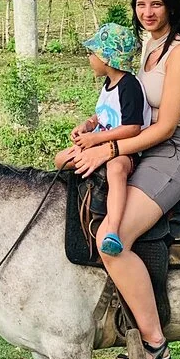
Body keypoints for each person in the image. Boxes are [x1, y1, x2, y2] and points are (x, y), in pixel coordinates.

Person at [72, 0, 180, 359]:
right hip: (144, 146)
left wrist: (109, 149)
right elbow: (131, 106)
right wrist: (94, 127)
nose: (147, 12)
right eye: (140, 4)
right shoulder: (149, 45)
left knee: (111, 238)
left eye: (156, 4)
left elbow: (166, 126)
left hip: (174, 152)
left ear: (171, 5)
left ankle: (153, 343)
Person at [55, 23, 152, 256]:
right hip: (100, 143)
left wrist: (96, 138)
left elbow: (132, 128)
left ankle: (113, 230)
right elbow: (103, 114)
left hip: (125, 149)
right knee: (60, 159)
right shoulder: (109, 84)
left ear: (107, 59)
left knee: (115, 169)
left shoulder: (129, 86)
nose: (89, 58)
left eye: (92, 54)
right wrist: (88, 125)